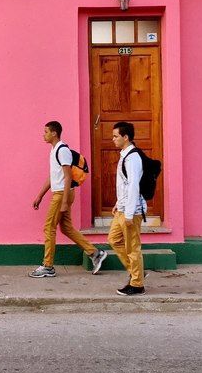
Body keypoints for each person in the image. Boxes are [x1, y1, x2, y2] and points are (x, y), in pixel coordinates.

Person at [29, 121, 107, 278]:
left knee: (49, 227)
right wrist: (40, 195)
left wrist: (64, 201)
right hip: (59, 193)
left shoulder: (63, 150)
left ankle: (48, 266)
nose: (43, 135)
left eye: (45, 132)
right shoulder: (54, 150)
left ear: (54, 133)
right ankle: (95, 253)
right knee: (66, 228)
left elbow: (68, 176)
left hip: (61, 195)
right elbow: (54, 176)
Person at [108, 121, 147, 295]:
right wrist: (119, 203)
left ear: (126, 137)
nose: (113, 139)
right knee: (114, 239)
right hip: (123, 208)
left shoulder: (133, 158)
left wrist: (130, 213)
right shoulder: (125, 155)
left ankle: (137, 284)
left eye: (116, 136)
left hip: (131, 211)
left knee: (132, 248)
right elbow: (125, 184)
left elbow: (133, 187)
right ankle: (136, 271)